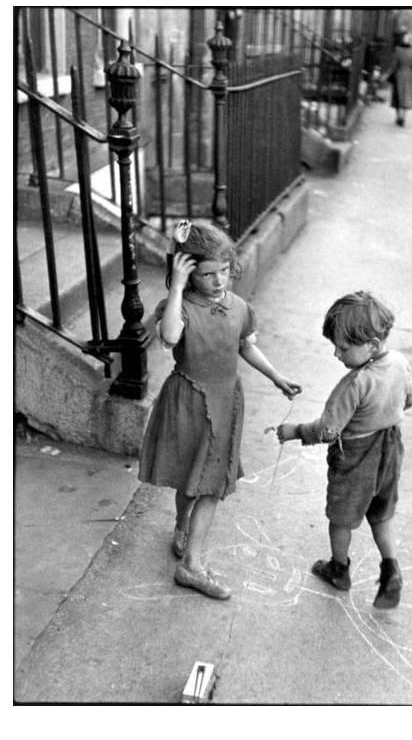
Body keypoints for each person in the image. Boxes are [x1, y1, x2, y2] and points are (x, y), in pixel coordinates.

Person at [138, 220, 301, 601]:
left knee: (211, 484)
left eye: (224, 271)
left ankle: (191, 563)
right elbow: (170, 336)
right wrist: (176, 286)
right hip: (189, 402)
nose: (217, 281)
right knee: (189, 480)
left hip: (226, 401)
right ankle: (183, 529)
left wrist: (276, 377)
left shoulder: (239, 307)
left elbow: (245, 346)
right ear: (188, 274)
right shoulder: (177, 308)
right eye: (207, 274)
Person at [276, 291, 412, 609]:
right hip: (390, 448)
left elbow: (327, 430)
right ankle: (391, 567)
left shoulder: (355, 384)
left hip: (356, 456)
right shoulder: (399, 363)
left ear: (373, 345)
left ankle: (339, 569)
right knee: (381, 514)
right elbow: (408, 400)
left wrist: (295, 431)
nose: (337, 353)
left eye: (344, 347)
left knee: (341, 517)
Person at [387, 29, 412, 127]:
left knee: (397, 95)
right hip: (410, 74)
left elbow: (394, 64)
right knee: (406, 95)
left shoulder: (397, 50)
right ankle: (403, 116)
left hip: (399, 74)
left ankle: (398, 116)